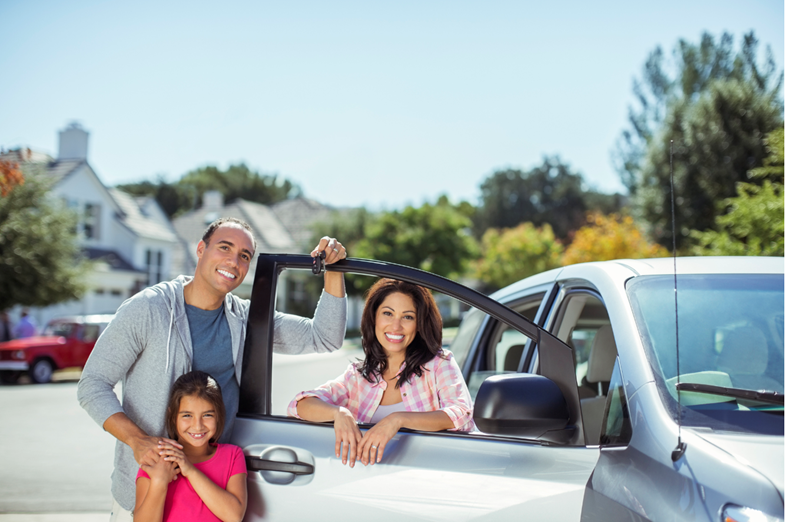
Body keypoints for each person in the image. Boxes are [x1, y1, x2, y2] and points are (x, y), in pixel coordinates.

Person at [78, 217, 347, 520]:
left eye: (244, 256)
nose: (233, 261)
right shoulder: (148, 309)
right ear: (201, 249)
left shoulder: (245, 319)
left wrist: (333, 269)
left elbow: (324, 337)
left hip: (209, 499)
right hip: (145, 493)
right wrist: (138, 441)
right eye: (225, 248)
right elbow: (93, 384)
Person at [288, 278, 474, 468]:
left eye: (407, 317)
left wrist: (397, 420)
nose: (396, 326)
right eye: (388, 313)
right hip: (369, 481)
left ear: (419, 323)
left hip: (431, 476)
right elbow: (298, 404)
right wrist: (339, 413)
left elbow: (460, 414)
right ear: (374, 317)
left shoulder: (438, 364)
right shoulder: (358, 376)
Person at [135, 371, 247, 522]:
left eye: (207, 415)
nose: (197, 426)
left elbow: (234, 516)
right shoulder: (157, 458)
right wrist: (159, 482)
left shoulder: (233, 455)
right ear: (173, 416)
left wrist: (189, 470)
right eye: (187, 415)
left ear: (219, 415)